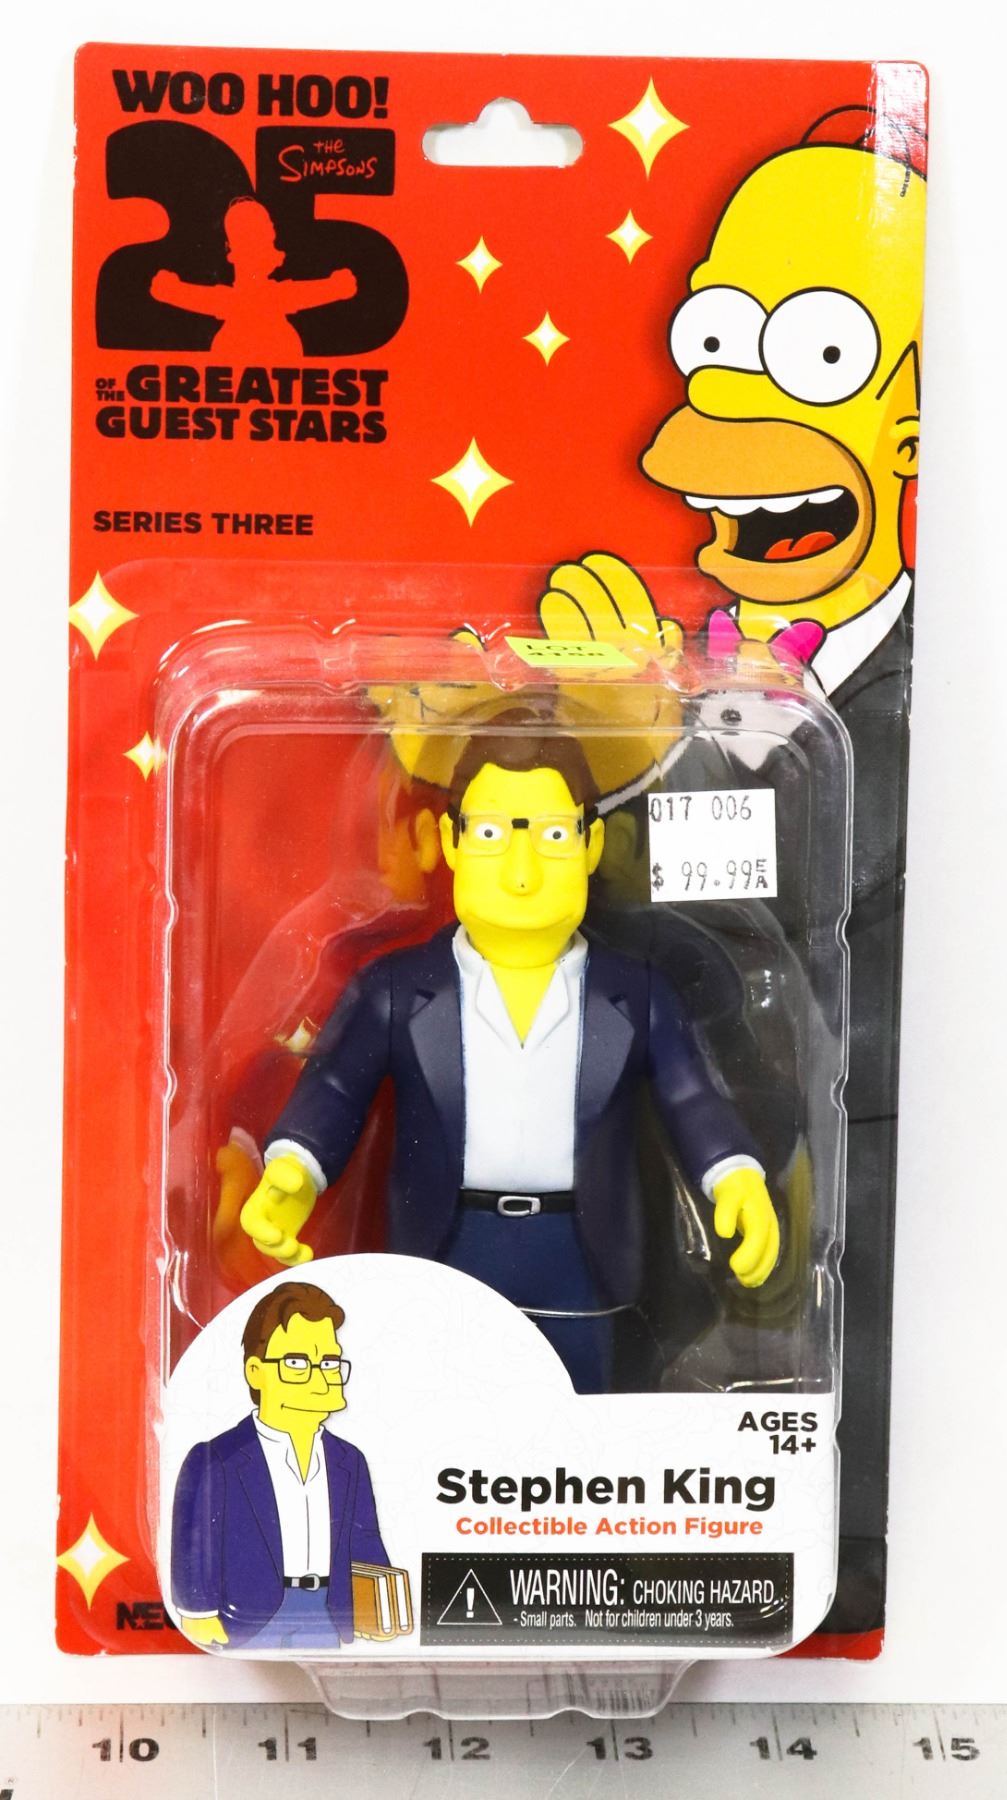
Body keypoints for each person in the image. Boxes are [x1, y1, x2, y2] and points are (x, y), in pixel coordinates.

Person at [239, 723, 780, 1394]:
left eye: (552, 836)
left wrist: (734, 1177)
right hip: (447, 1241)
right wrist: (295, 1169)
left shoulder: (636, 994)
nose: (522, 873)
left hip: (583, 1252)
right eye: (493, 834)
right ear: (451, 842)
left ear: (591, 846)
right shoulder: (397, 990)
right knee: (444, 1401)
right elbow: (337, 1088)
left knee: (581, 1406)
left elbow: (690, 1094)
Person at [171, 1281, 388, 1650]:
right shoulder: (217, 1459)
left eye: (329, 1363)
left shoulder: (349, 1460)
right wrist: (197, 1611)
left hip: (326, 1613)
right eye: (296, 1363)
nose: (320, 1378)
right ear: (255, 1371)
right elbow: (194, 1540)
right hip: (250, 1614)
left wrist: (376, 1605)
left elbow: (365, 1538)